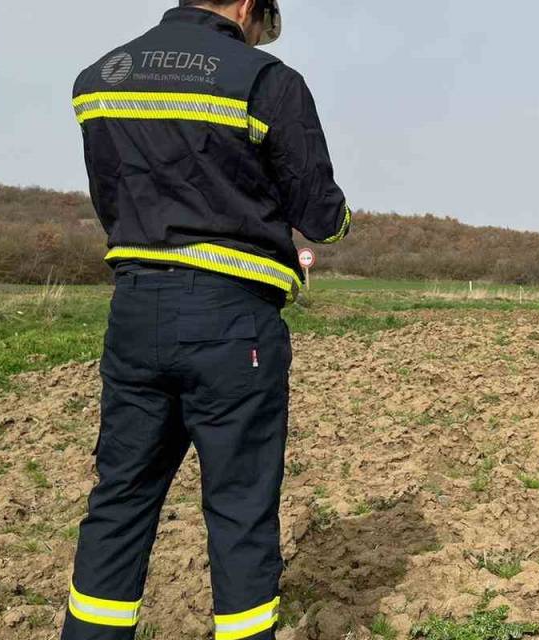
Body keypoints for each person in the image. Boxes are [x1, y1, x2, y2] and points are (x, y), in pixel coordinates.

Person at [63, 1, 349, 638]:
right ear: (249, 7)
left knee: (120, 500)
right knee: (240, 511)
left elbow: (111, 193)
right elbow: (321, 214)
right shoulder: (266, 81)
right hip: (232, 320)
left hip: (135, 310)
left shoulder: (98, 80)